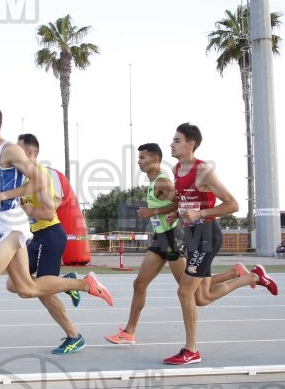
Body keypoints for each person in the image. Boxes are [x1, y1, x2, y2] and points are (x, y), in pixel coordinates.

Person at [0, 102, 113, 371]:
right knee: (25, 288)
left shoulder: (9, 150)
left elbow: (38, 181)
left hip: (12, 226)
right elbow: (0, 191)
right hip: (3, 224)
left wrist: (1, 197)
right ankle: (85, 285)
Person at [163, 123, 278, 365]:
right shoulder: (176, 169)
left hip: (206, 234)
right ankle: (252, 278)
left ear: (190, 144)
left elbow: (232, 204)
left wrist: (201, 215)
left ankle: (191, 350)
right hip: (193, 234)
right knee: (201, 298)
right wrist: (179, 212)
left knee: (185, 292)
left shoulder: (203, 170)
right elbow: (188, 201)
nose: (171, 144)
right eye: (172, 140)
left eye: (176, 140)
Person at [104, 143, 242, 345]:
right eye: (138, 158)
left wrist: (153, 212)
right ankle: (129, 332)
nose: (138, 162)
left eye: (142, 158)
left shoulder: (163, 182)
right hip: (160, 238)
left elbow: (180, 202)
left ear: (155, 160)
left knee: (194, 293)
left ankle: (236, 275)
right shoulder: (153, 182)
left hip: (173, 239)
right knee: (139, 284)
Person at [4, 133, 85, 355]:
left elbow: (49, 213)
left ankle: (74, 336)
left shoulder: (41, 176)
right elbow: (53, 201)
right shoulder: (26, 180)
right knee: (15, 285)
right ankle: (65, 282)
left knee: (42, 292)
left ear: (30, 153)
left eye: (19, 152)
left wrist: (27, 210)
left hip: (51, 235)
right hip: (36, 237)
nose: (14, 157)